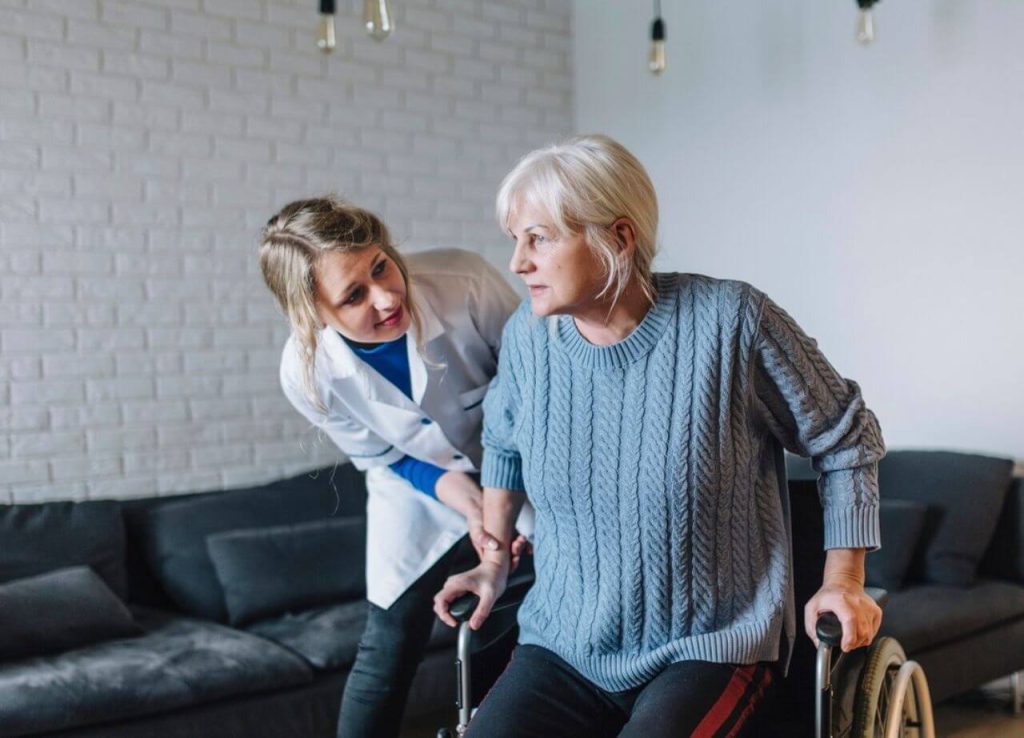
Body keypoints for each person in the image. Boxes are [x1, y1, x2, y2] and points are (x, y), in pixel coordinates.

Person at [434, 135, 885, 737]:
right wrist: (491, 564)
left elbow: (846, 437)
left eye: (539, 238)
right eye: (516, 240)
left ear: (617, 238)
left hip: (711, 645)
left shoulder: (732, 323)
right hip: (565, 645)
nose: (518, 263)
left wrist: (844, 583)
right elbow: (505, 443)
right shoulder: (527, 338)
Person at [259, 196, 528, 738]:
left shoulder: (464, 282)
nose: (386, 296)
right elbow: (387, 456)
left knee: (512, 617)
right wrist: (476, 510)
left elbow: (536, 389)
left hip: (528, 466)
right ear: (312, 312)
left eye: (381, 266)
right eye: (353, 295)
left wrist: (502, 511)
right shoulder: (308, 372)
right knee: (388, 636)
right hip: (416, 486)